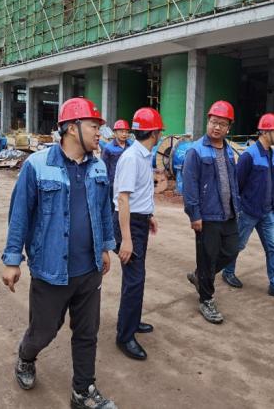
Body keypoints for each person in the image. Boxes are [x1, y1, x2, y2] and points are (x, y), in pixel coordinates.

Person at [1, 97, 117, 409]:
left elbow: (104, 210)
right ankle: (26, 356)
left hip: (89, 269)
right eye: (94, 126)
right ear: (71, 128)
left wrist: (105, 247)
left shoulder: (98, 166)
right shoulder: (37, 165)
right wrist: (12, 260)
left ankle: (82, 392)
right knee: (44, 331)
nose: (99, 133)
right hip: (51, 270)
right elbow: (20, 215)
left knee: (87, 333)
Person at [221, 113, 274, 301]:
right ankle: (228, 272)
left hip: (267, 212)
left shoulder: (272, 153)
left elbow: (269, 181)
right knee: (238, 245)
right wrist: (237, 210)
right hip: (248, 212)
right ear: (264, 132)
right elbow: (236, 185)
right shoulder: (249, 156)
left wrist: (271, 204)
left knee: (273, 248)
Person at [182, 101, 241, 324]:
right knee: (207, 257)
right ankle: (206, 299)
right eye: (214, 122)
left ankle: (200, 276)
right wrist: (194, 214)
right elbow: (190, 185)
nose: (217, 127)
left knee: (232, 250)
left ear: (228, 128)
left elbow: (233, 181)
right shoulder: (196, 150)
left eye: (222, 124)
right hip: (207, 215)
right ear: (208, 122)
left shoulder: (229, 150)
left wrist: (237, 206)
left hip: (229, 213)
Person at [113, 107, 163, 361]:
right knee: (134, 279)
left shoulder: (143, 155)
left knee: (136, 279)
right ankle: (125, 336)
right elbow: (122, 199)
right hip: (129, 224)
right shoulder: (132, 158)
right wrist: (127, 239)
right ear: (154, 133)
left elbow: (140, 192)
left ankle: (131, 320)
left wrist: (148, 215)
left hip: (138, 220)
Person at [101, 119, 132, 196]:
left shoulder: (131, 146)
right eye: (121, 131)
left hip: (128, 182)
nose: (124, 134)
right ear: (115, 133)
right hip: (113, 184)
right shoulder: (108, 148)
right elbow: (104, 167)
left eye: (126, 132)